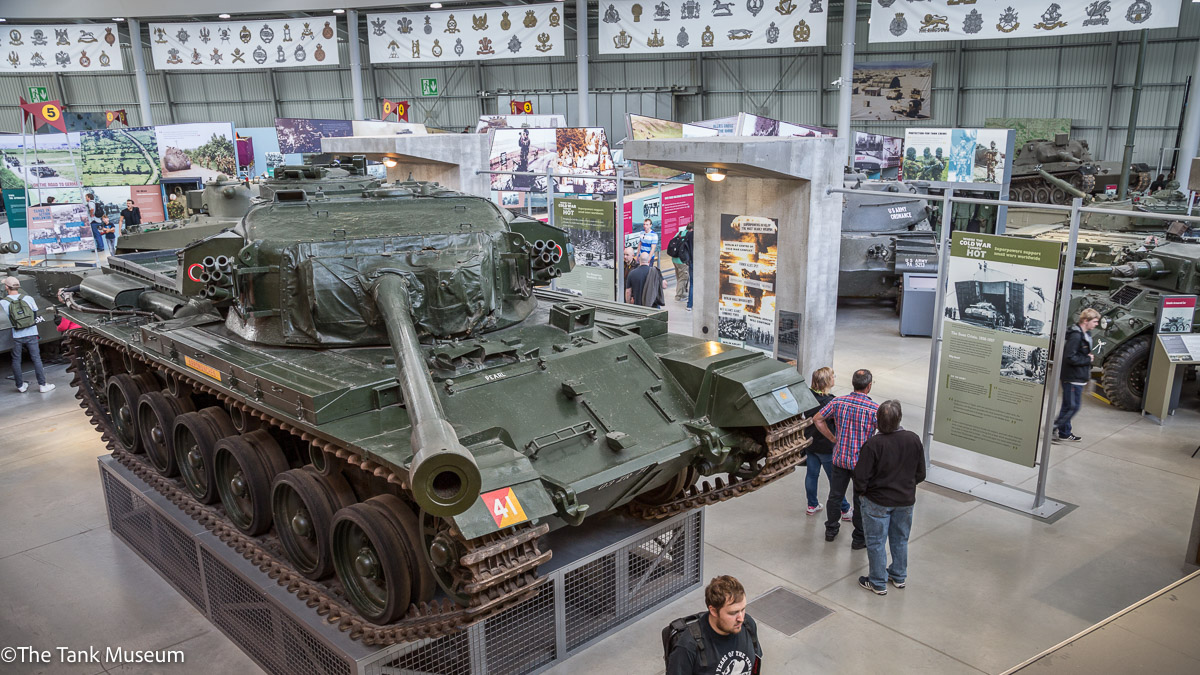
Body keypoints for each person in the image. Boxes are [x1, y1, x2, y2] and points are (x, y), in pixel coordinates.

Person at [854, 400, 926, 595]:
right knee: (900, 539)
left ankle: (878, 582)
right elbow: (921, 474)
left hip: (877, 501)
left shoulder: (873, 445)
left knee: (876, 541)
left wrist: (862, 493)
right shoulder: (913, 439)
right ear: (899, 418)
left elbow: (860, 477)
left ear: (877, 421)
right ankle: (898, 575)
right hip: (905, 501)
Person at [813, 369, 879, 549]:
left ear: (853, 383)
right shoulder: (874, 409)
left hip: (840, 458)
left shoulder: (838, 401)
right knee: (859, 500)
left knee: (835, 496)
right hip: (861, 464)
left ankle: (831, 530)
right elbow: (885, 432)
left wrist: (833, 438)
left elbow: (818, 419)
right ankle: (858, 538)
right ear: (869, 386)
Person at [666, 575, 761, 675]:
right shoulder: (688, 646)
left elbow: (755, 665)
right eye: (733, 613)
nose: (741, 618)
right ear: (713, 611)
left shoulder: (748, 625)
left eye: (743, 609)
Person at [803, 367, 850, 517]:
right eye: (833, 376)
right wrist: (835, 439)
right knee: (835, 480)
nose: (834, 378)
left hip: (810, 442)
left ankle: (812, 505)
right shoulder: (831, 402)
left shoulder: (808, 396)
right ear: (827, 381)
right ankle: (845, 509)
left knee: (811, 475)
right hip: (827, 446)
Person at [1053, 308, 1100, 442]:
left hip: (1078, 377)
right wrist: (1087, 359)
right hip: (1072, 378)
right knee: (1073, 406)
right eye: (1095, 321)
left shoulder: (1086, 334)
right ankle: (1053, 427)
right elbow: (1069, 357)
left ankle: (1064, 432)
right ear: (1086, 321)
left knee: (1068, 406)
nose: (1097, 324)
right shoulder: (1076, 336)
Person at [2, 277, 54, 393]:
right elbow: (34, 314)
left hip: (15, 335)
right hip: (31, 333)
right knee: (36, 359)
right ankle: (42, 385)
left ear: (6, 287)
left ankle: (20, 386)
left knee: (16, 360)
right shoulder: (28, 298)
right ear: (18, 286)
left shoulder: (3, 303)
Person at [669, 224, 690, 302]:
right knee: (683, 278)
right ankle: (679, 296)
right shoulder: (688, 235)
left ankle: (683, 293)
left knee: (679, 277)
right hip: (682, 261)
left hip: (675, 259)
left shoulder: (679, 233)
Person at [682, 226, 694, 311]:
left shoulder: (688, 234)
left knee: (692, 284)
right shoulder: (699, 234)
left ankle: (689, 305)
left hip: (691, 262)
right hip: (699, 262)